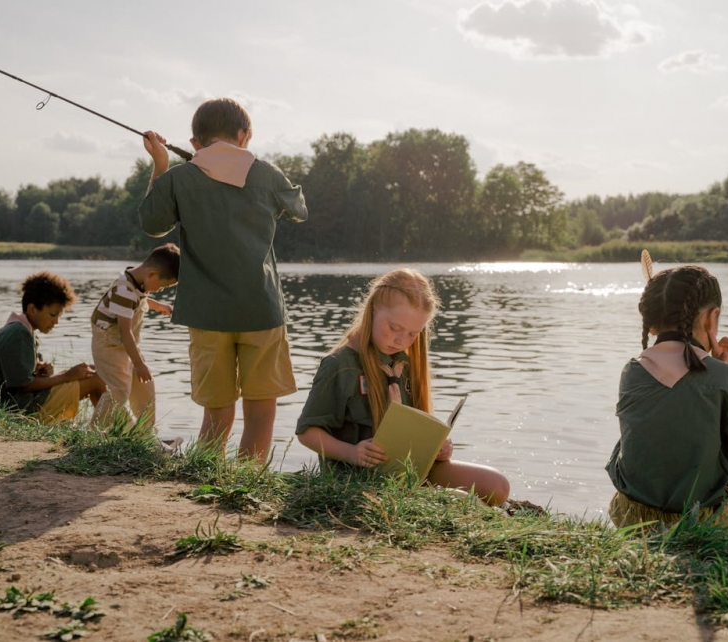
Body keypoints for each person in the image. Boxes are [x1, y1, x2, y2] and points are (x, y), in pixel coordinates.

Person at [139, 97, 308, 461]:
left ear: (195, 142)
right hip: (260, 311)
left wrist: (162, 165)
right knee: (261, 408)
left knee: (216, 409)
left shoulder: (179, 179)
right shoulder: (267, 173)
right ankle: (247, 481)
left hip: (206, 314)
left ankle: (207, 473)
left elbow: (153, 224)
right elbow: (298, 210)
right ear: (244, 135)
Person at [606, 262, 728, 553]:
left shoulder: (632, 372)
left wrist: (718, 368)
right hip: (700, 525)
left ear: (652, 323)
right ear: (713, 318)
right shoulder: (723, 379)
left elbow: (681, 424)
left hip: (633, 518)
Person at [295, 269, 510, 507]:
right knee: (460, 502)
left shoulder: (403, 363)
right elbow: (307, 433)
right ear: (373, 309)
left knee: (497, 486)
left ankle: (427, 495)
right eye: (394, 328)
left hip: (408, 471)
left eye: (412, 333)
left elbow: (413, 425)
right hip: (358, 478)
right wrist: (351, 452)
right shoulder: (339, 366)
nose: (401, 340)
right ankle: (428, 500)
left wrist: (436, 446)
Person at [0, 271, 108, 425]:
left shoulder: (23, 330)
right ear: (32, 309)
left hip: (20, 404)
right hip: (13, 412)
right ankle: (111, 433)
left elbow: (19, 375)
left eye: (59, 316)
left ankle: (108, 429)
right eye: (52, 315)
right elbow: (23, 385)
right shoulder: (17, 333)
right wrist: (66, 376)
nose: (56, 322)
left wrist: (40, 369)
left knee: (91, 370)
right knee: (97, 377)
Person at [90, 243, 180, 429]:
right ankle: (93, 432)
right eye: (163, 286)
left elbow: (141, 299)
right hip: (109, 345)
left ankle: (146, 437)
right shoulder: (124, 290)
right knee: (119, 390)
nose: (161, 289)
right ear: (152, 274)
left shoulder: (137, 283)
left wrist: (159, 306)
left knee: (145, 390)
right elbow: (125, 331)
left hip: (126, 345)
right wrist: (138, 363)